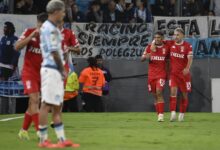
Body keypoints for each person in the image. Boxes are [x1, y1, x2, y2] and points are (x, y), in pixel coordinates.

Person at [38, 0, 79, 148]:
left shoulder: (49, 27)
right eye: (62, 11)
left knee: (56, 105)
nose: (64, 14)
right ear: (56, 12)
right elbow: (54, 51)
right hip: (51, 69)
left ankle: (62, 140)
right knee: (46, 104)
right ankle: (43, 140)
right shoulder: (51, 29)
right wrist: (62, 69)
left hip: (53, 69)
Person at [15, 13, 48, 140]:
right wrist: (30, 37)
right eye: (40, 25)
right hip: (29, 72)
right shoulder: (29, 32)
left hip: (43, 74)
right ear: (37, 23)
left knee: (33, 103)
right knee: (35, 100)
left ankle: (23, 130)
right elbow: (17, 47)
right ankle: (40, 131)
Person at [141, 31, 170, 122]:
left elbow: (168, 62)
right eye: (155, 37)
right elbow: (141, 59)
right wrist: (146, 57)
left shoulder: (166, 48)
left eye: (159, 37)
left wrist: (168, 74)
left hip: (161, 74)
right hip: (151, 75)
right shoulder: (149, 47)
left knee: (159, 92)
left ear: (162, 38)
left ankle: (161, 115)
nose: (157, 39)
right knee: (155, 96)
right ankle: (159, 114)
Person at [169, 27, 193, 122]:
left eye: (178, 35)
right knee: (173, 92)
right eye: (174, 34)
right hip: (174, 74)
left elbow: (190, 58)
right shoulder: (170, 44)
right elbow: (158, 41)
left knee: (184, 95)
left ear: (182, 35)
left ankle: (182, 114)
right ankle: (173, 113)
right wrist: (154, 43)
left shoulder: (188, 46)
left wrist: (187, 68)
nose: (175, 36)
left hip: (184, 75)